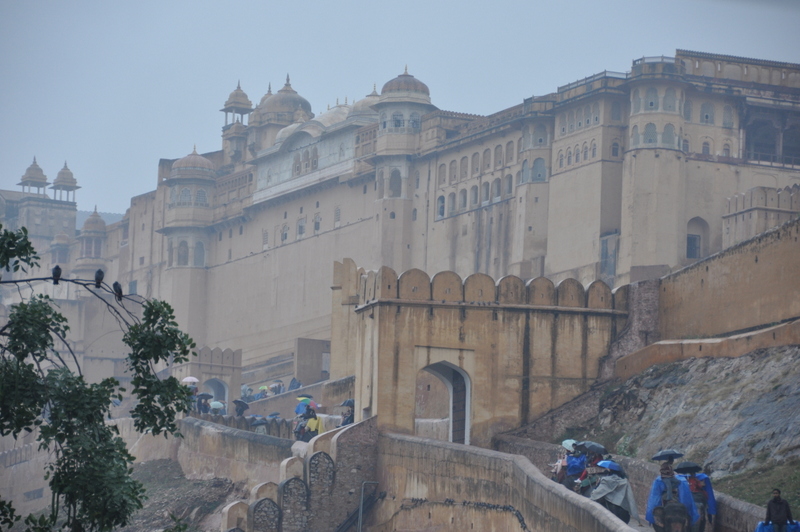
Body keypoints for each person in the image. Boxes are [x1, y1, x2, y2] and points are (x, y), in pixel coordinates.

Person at [646, 463, 699, 532]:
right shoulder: (679, 481)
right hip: (668, 505)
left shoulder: (660, 480)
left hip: (678, 507)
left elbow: (653, 499)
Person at [590, 461, 640, 525]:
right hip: (623, 509)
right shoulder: (624, 481)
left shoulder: (607, 480)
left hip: (611, 509)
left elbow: (596, 494)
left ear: (610, 470)